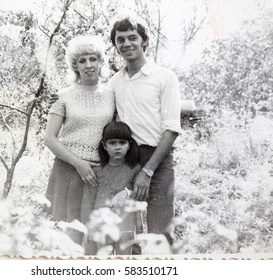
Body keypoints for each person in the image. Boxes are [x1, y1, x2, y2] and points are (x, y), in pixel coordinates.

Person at [108, 17, 182, 245]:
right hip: (125, 160)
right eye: (120, 40)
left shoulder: (164, 77)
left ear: (144, 42)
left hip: (157, 161)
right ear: (116, 46)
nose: (127, 43)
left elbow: (171, 129)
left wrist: (148, 171)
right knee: (125, 234)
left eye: (133, 38)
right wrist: (59, 99)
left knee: (160, 234)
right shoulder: (114, 82)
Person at [44, 35, 115, 244]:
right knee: (68, 235)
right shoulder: (63, 95)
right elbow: (49, 138)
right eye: (82, 61)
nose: (88, 65)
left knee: (96, 235)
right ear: (74, 65)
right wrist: (79, 163)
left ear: (101, 61)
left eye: (93, 59)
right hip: (68, 171)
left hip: (99, 174)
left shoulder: (112, 94)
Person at [81, 121, 142, 255]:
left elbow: (142, 195)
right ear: (104, 145)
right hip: (101, 225)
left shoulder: (135, 170)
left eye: (122, 143)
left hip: (126, 224)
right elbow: (87, 203)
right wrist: (88, 227)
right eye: (112, 143)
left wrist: (127, 192)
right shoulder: (96, 171)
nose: (117, 147)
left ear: (129, 145)